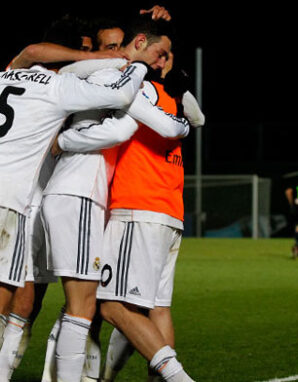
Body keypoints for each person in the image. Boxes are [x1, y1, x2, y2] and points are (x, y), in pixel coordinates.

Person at [0, 14, 150, 382]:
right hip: (6, 197)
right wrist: (133, 62)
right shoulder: (58, 87)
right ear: (69, 54)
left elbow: (29, 52)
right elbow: (121, 94)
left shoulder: (3, 75)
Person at [54, 44, 203, 382]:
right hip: (171, 213)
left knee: (110, 306)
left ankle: (179, 378)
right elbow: (199, 119)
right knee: (156, 308)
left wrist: (63, 140)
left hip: (138, 208)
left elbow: (72, 78)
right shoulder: (176, 97)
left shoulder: (140, 89)